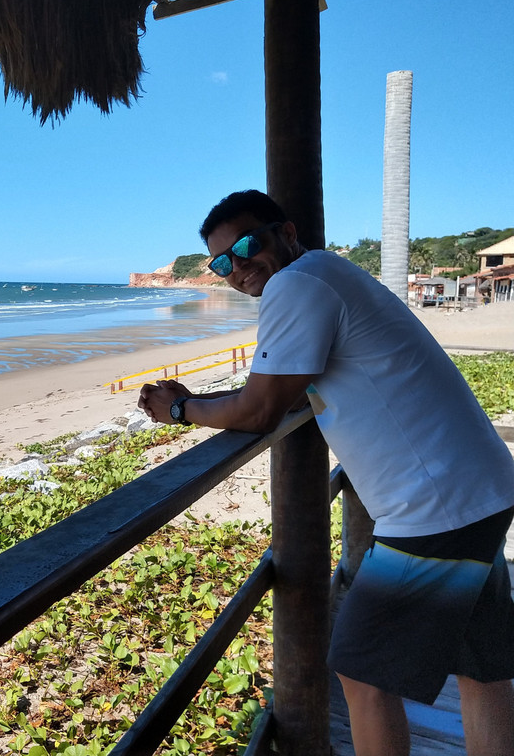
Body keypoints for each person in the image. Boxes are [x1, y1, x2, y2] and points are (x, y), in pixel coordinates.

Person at [137, 190, 514, 756]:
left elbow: (263, 410)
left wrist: (178, 410)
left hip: (433, 507)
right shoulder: (326, 274)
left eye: (246, 245)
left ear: (286, 233)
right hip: (475, 487)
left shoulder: (297, 284)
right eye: (222, 261)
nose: (237, 267)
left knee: (361, 675)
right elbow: (280, 396)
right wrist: (203, 399)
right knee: (483, 669)